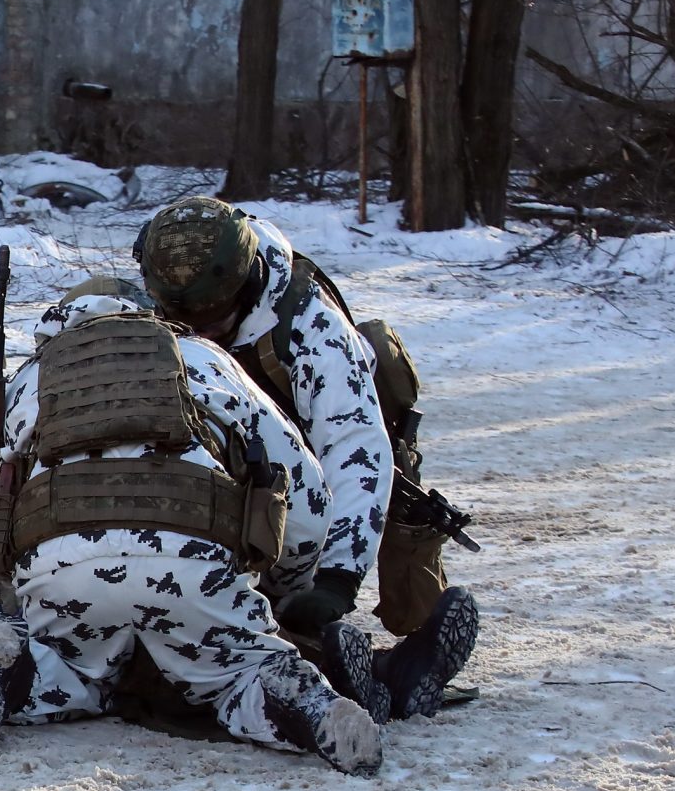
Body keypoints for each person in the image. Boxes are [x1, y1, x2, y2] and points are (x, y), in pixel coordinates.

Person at [0, 290, 383, 774]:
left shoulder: (29, 378)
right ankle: (300, 699)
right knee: (236, 672)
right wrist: (290, 587)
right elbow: (308, 503)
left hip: (62, 565)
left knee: (69, 665)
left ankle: (14, 670)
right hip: (195, 563)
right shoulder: (204, 358)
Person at [136, 195, 476, 718]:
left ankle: (392, 663)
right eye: (185, 319)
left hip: (313, 474)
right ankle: (369, 669)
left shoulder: (310, 325)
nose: (200, 332)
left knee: (304, 600)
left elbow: (355, 448)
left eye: (213, 318)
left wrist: (337, 579)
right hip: (229, 464)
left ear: (244, 284)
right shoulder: (159, 295)